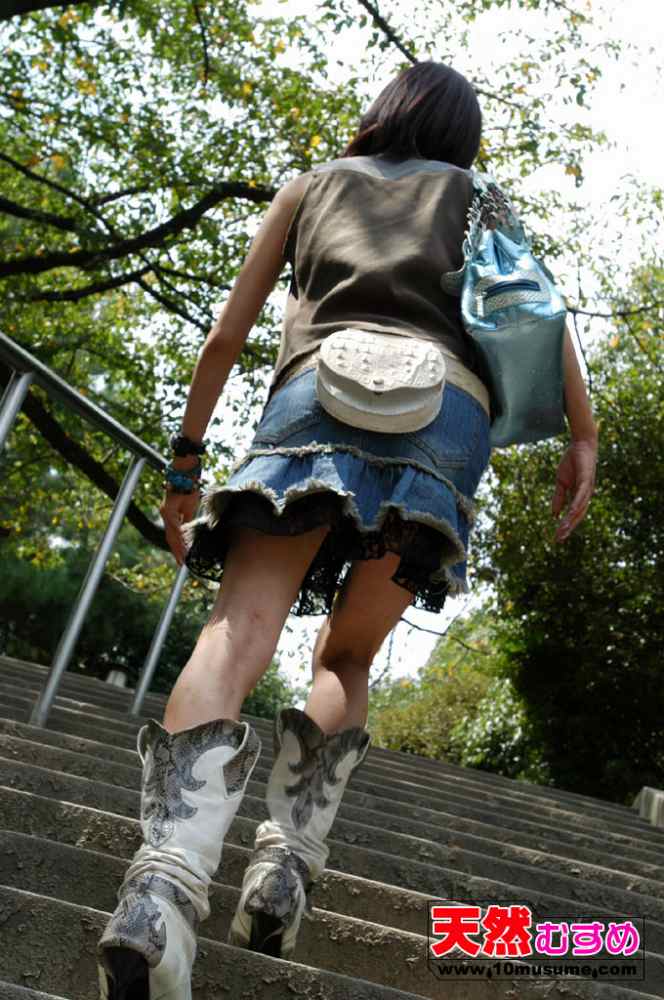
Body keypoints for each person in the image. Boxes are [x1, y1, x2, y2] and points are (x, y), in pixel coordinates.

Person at [96, 60, 598, 998]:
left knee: (237, 628)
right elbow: (538, 314)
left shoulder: (309, 186)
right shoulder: (479, 198)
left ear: (382, 113)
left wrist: (185, 464)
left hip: (313, 397)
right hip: (443, 418)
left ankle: (161, 892)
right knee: (348, 656)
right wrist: (584, 433)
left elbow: (224, 337)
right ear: (463, 136)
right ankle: (283, 867)